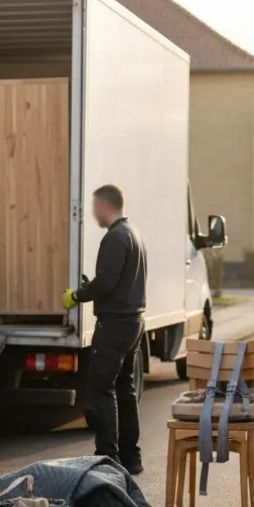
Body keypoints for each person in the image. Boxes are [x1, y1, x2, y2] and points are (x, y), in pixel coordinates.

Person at [62, 184, 148, 474]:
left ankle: (108, 459)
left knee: (102, 390)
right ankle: (131, 457)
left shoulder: (114, 238)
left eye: (95, 206)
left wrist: (78, 295)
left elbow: (107, 282)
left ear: (104, 206)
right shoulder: (133, 234)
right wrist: (92, 286)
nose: (93, 212)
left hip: (114, 325)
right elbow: (115, 280)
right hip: (133, 322)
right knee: (125, 388)